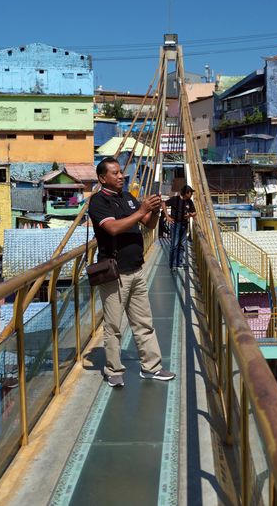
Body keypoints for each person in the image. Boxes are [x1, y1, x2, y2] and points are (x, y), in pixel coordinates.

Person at [88, 157, 176, 388]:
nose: (121, 177)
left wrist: (155, 211)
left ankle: (152, 367)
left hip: (136, 270)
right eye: (115, 173)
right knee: (114, 326)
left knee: (143, 322)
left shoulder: (127, 198)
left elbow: (148, 224)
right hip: (115, 273)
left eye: (121, 173)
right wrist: (142, 211)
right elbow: (113, 228)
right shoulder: (98, 202)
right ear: (102, 178)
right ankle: (114, 370)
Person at [163, 185, 197, 270]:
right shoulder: (175, 199)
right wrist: (167, 216)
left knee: (182, 244)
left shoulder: (189, 202)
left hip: (184, 225)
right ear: (186, 193)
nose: (192, 194)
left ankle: (179, 263)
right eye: (191, 193)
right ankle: (173, 264)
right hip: (175, 224)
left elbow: (194, 213)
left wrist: (189, 215)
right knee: (174, 244)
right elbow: (163, 203)